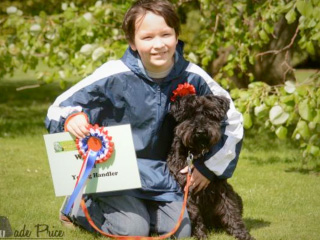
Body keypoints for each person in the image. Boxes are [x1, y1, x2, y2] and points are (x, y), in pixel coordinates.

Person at [45, 0, 243, 237]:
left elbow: (232, 121)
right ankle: (78, 207)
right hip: (116, 174)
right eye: (147, 37)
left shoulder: (194, 76)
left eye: (165, 34)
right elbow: (58, 107)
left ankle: (140, 211)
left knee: (181, 231)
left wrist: (208, 168)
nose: (158, 44)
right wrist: (72, 118)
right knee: (133, 230)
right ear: (132, 42)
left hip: (163, 176)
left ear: (177, 36)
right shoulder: (113, 74)